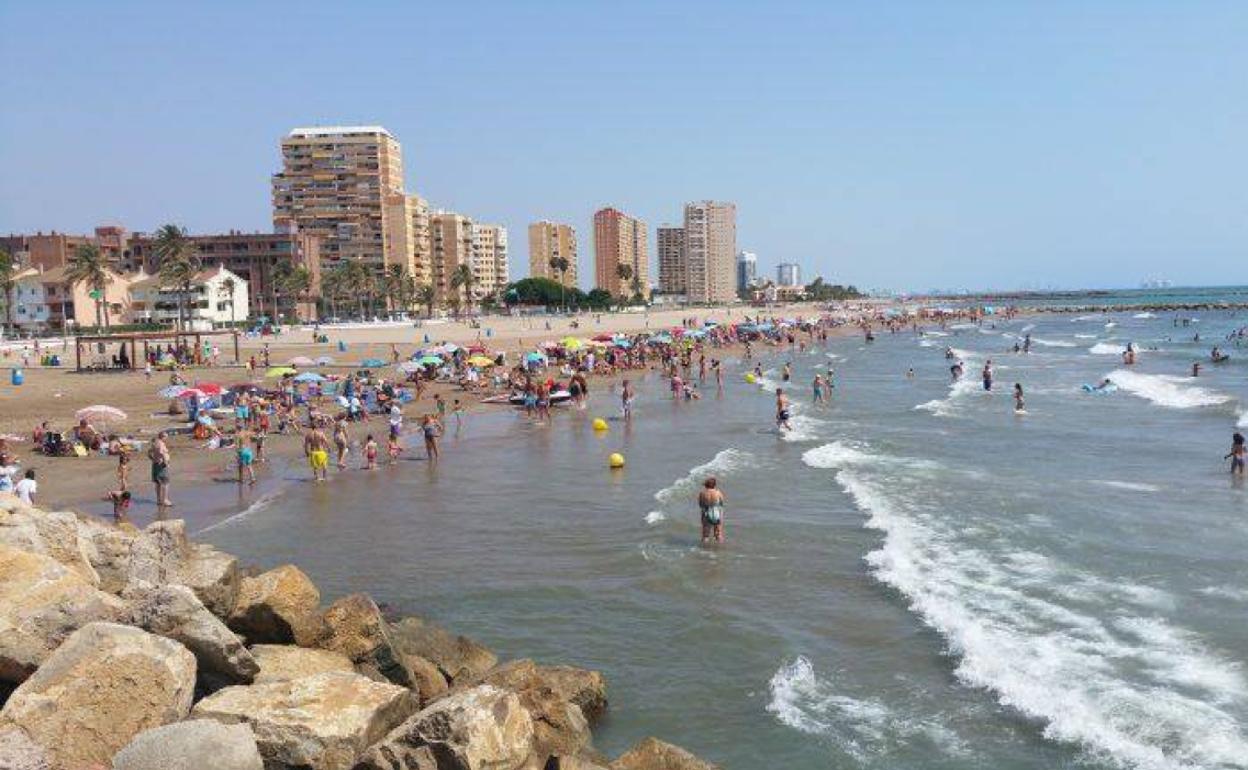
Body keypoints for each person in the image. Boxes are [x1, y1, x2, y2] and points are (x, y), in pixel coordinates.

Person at [698, 477, 726, 544]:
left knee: (705, 535)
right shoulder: (718, 493)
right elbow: (722, 503)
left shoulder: (702, 493)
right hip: (717, 513)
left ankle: (704, 551)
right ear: (714, 485)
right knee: (718, 534)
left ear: (706, 485)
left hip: (706, 513)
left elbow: (700, 505)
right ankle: (720, 550)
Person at [148, 432, 172, 507]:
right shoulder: (161, 444)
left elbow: (149, 452)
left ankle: (159, 500)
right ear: (163, 437)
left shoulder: (154, 443)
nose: (167, 438)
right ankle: (165, 500)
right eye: (166, 437)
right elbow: (162, 453)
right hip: (161, 465)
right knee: (165, 482)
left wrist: (152, 459)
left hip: (155, 464)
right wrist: (166, 463)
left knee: (158, 483)